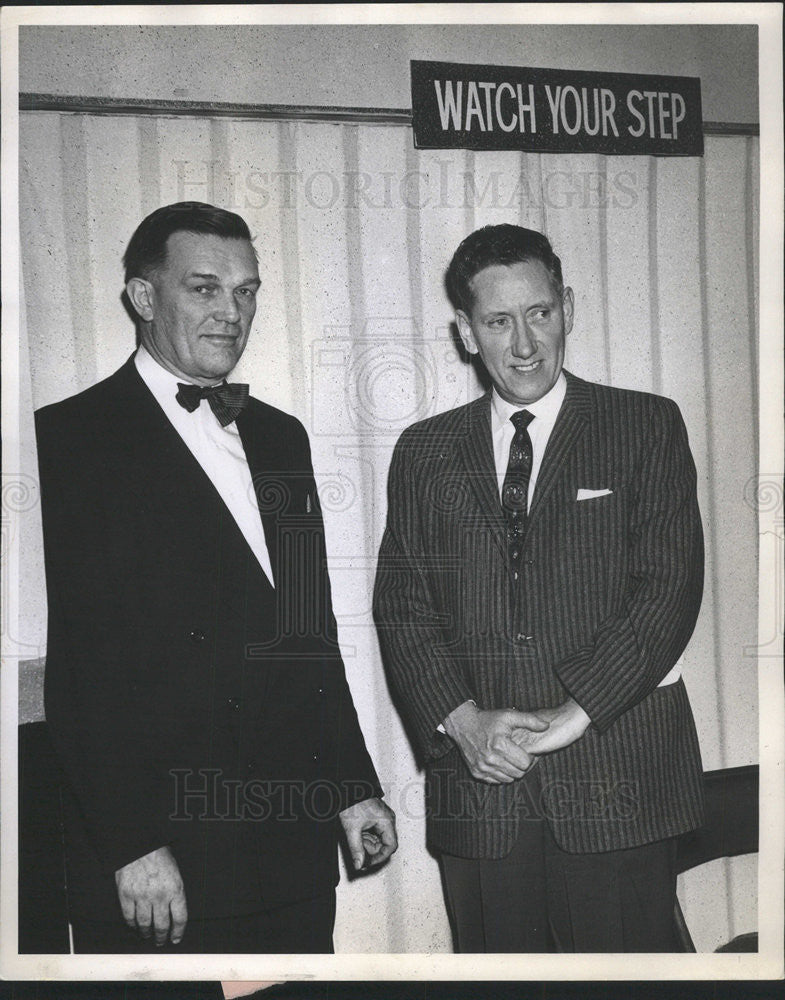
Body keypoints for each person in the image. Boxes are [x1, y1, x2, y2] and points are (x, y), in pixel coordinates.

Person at [35, 201, 396, 954]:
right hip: (159, 861)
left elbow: (307, 633)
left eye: (246, 291)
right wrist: (130, 843)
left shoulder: (279, 437)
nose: (231, 313)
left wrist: (351, 784)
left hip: (286, 847)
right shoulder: (64, 442)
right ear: (143, 298)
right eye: (204, 288)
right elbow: (78, 670)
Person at [373, 224, 704, 953]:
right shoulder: (423, 452)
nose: (523, 344)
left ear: (568, 307)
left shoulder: (644, 426)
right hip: (480, 793)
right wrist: (461, 722)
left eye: (539, 314)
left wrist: (575, 709)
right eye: (497, 321)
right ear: (465, 333)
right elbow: (403, 607)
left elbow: (668, 590)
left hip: (619, 782)